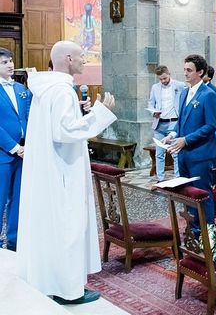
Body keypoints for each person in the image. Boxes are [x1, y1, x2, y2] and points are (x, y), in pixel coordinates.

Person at [17, 40, 117, 304]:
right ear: (69, 58)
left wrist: (84, 113)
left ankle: (52, 280)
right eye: (82, 56)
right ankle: (69, 291)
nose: (85, 60)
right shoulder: (61, 91)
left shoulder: (47, 88)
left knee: (56, 227)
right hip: (63, 170)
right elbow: (65, 131)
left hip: (52, 168)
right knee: (68, 227)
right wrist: (100, 113)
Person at [164, 54, 216, 224]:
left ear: (200, 72)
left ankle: (208, 235)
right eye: (184, 70)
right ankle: (193, 232)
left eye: (189, 70)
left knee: (202, 195)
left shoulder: (208, 94)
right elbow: (181, 120)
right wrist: (173, 134)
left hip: (201, 155)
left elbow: (211, 126)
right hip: (184, 154)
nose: (185, 73)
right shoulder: (184, 93)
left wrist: (186, 140)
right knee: (188, 195)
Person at [0, 48, 31, 252]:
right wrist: (14, 147)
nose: (10, 65)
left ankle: (14, 241)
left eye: (10, 61)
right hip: (4, 153)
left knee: (19, 199)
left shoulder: (22, 89)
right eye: (4, 62)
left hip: (25, 151)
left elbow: (32, 114)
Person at [147, 65, 186, 181]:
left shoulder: (180, 85)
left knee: (175, 152)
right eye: (160, 79)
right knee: (159, 153)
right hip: (159, 123)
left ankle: (178, 178)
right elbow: (151, 103)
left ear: (169, 74)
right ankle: (160, 179)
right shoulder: (155, 87)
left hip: (173, 122)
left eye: (164, 78)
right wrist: (153, 112)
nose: (163, 81)